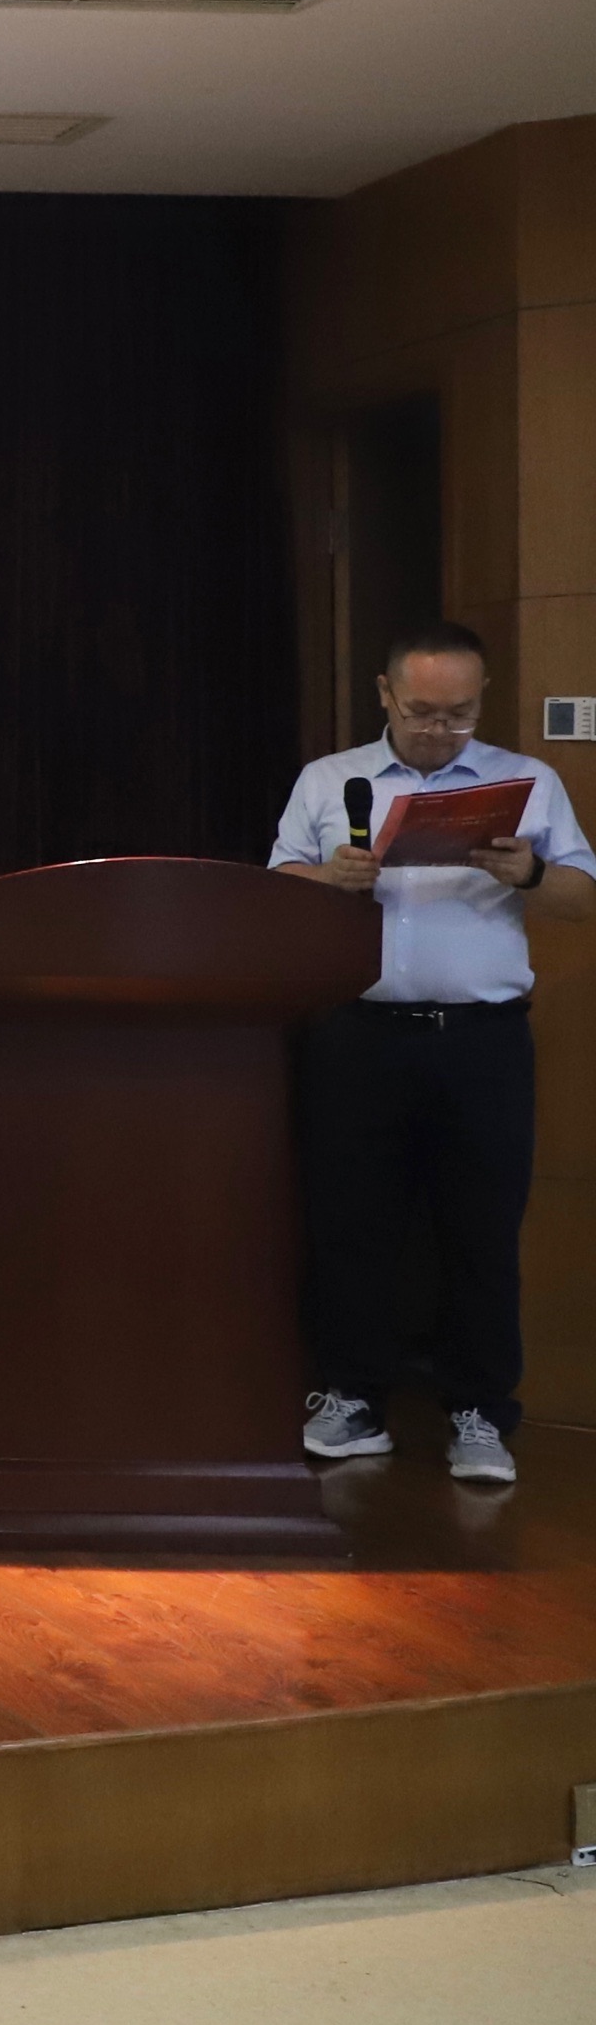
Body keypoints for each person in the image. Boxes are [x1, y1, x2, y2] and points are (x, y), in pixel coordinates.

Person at [268, 621, 593, 1487]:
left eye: (459, 713)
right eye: (420, 712)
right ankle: (353, 1397)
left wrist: (528, 873)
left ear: (481, 698)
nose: (439, 730)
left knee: (482, 1227)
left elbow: (582, 895)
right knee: (352, 1223)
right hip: (358, 1036)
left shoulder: (526, 781)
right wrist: (328, 880)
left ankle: (480, 1412)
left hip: (483, 1041)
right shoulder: (330, 779)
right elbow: (274, 884)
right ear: (385, 694)